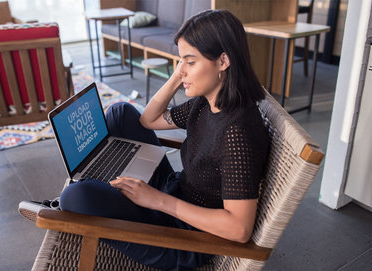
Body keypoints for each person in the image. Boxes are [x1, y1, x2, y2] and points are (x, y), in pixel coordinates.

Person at [25, 9, 270, 271]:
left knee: (76, 196)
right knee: (121, 113)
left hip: (186, 236)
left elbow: (239, 229)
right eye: (180, 61)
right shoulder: (208, 102)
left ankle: (83, 195)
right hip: (177, 191)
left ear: (223, 61)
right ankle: (103, 179)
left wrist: (156, 200)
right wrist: (179, 76)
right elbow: (148, 120)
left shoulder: (237, 134)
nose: (181, 70)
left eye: (190, 61)